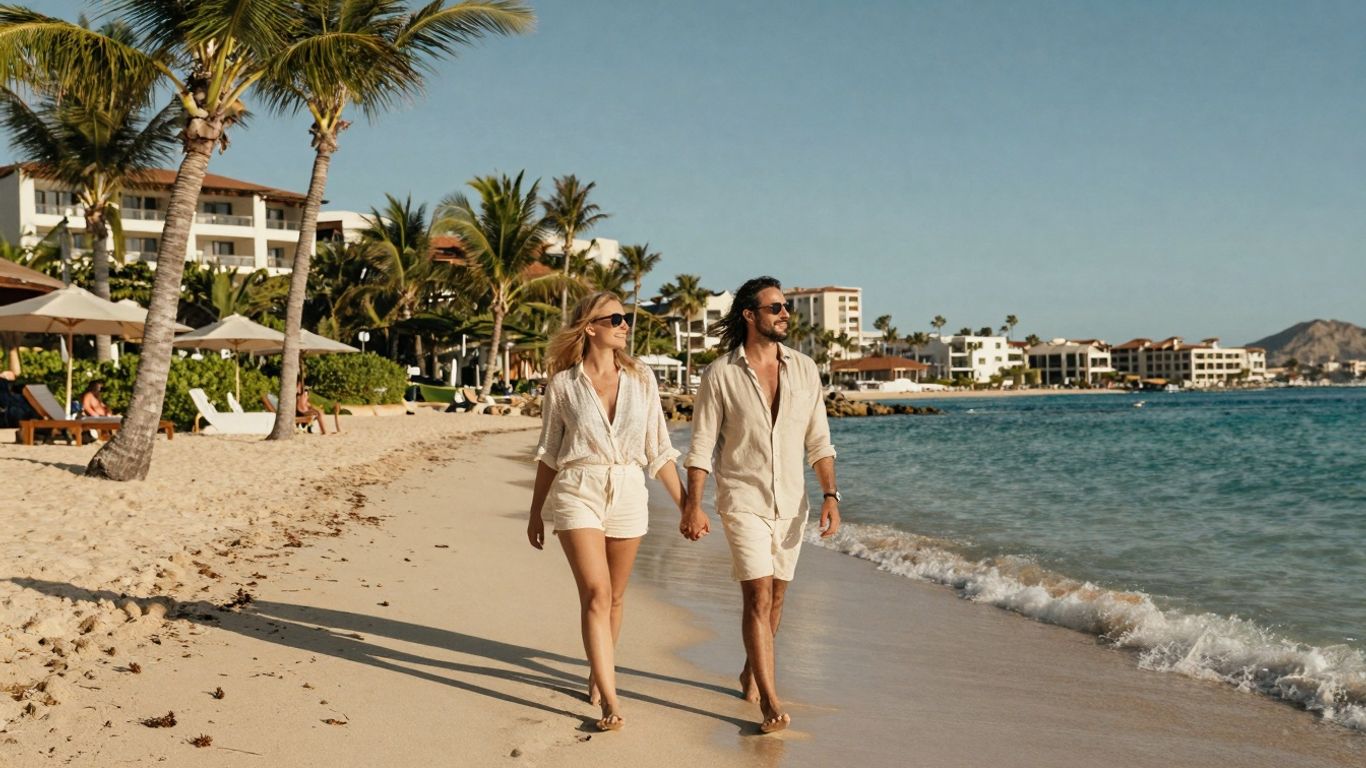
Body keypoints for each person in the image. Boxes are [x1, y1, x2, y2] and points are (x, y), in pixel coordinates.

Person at [681, 276, 840, 734]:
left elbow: (819, 442)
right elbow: (702, 445)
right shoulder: (720, 374)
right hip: (742, 498)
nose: (785, 313)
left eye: (786, 306)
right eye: (775, 308)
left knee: (778, 597)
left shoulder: (805, 369)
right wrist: (693, 505)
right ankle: (770, 701)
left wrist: (830, 495)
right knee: (758, 594)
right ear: (750, 315)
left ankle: (752, 669)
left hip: (791, 502)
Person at [527, 291, 687, 732]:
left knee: (615, 596)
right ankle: (611, 702)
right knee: (597, 595)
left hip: (629, 491)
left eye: (625, 318)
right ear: (590, 327)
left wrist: (687, 505)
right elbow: (550, 452)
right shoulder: (563, 385)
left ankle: (599, 671)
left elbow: (658, 449)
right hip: (579, 489)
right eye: (614, 319)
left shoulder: (642, 378)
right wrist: (536, 511)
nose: (624, 325)